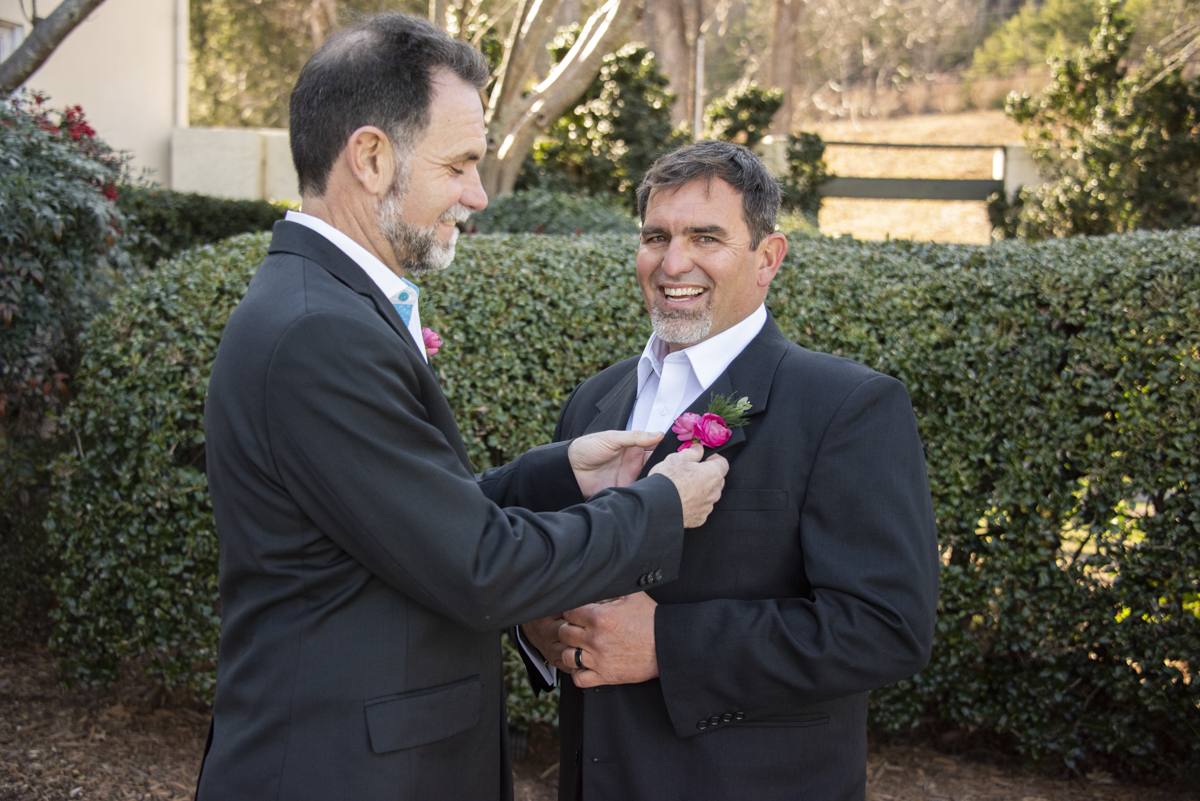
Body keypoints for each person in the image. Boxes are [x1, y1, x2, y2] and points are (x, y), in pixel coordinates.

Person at [196, 15, 728, 801]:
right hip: (341, 773)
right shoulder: (319, 332)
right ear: (372, 158)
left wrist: (555, 477)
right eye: (460, 165)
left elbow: (391, 528)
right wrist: (657, 509)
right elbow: (477, 568)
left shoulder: (324, 306)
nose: (478, 194)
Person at [520, 141, 940, 801]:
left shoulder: (845, 407)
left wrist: (665, 642)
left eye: (706, 237)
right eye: (655, 236)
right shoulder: (594, 401)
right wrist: (538, 624)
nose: (673, 262)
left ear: (767, 257)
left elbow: (885, 626)